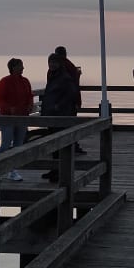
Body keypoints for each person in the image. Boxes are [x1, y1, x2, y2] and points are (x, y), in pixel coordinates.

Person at [39, 52, 80, 181]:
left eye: (54, 62)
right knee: (54, 145)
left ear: (60, 63)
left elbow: (71, 94)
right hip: (51, 115)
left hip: (60, 115)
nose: (51, 64)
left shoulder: (64, 77)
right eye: (50, 62)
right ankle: (54, 170)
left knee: (59, 145)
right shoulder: (53, 75)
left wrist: (58, 105)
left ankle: (60, 172)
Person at [0, 57, 34, 182]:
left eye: (22, 65)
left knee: (18, 145)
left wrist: (30, 105)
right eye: (20, 65)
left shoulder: (25, 81)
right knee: (6, 144)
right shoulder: (4, 82)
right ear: (13, 67)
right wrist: (9, 108)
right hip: (7, 118)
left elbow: (30, 96)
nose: (23, 68)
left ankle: (12, 171)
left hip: (22, 117)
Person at [54, 45, 85, 153]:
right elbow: (74, 83)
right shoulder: (70, 65)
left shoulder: (63, 66)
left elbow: (69, 84)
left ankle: (68, 147)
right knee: (71, 124)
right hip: (71, 99)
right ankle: (73, 146)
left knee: (65, 125)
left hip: (66, 101)